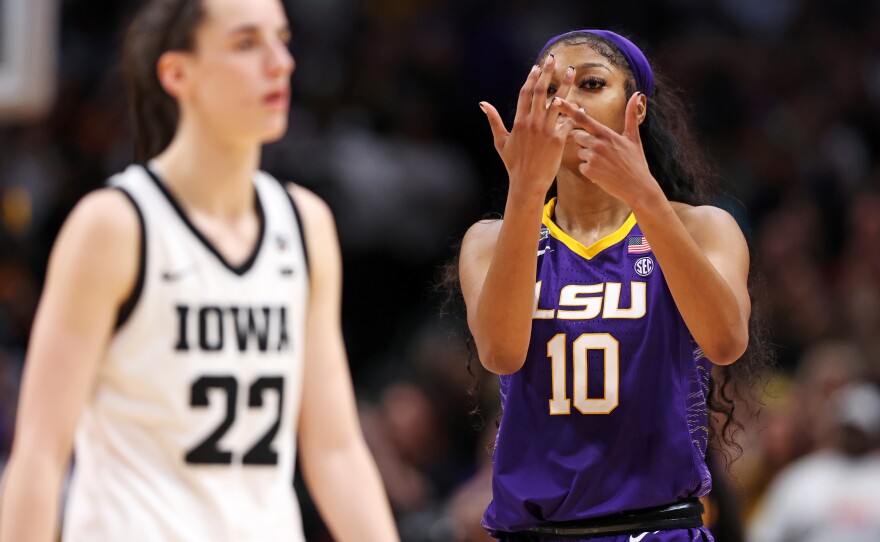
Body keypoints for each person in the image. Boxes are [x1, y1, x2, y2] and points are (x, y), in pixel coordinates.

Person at [0, 0, 399, 540]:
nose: (279, 62)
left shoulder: (305, 225)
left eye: (281, 39)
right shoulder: (115, 227)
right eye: (246, 44)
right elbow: (40, 455)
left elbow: (335, 450)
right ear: (177, 73)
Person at [457, 29, 757, 541]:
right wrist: (526, 189)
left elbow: (726, 341)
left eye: (590, 84)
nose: (566, 102)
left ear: (635, 109)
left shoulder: (703, 227)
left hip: (657, 529)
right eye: (548, 90)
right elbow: (500, 353)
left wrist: (644, 195)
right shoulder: (490, 240)